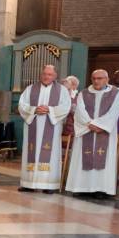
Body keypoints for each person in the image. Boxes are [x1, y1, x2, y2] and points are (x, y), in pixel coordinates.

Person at [65, 69, 119, 197]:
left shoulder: (115, 94)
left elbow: (114, 112)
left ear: (107, 79)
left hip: (104, 132)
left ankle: (100, 189)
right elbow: (79, 111)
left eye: (100, 78)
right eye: (94, 78)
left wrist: (100, 125)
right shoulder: (84, 93)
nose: (96, 81)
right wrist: (90, 124)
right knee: (83, 157)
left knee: (104, 158)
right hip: (87, 131)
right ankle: (81, 187)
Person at [17, 65, 70, 193]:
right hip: (33, 125)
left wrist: (49, 110)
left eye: (50, 74)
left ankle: (49, 185)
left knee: (50, 154)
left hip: (52, 125)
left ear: (55, 76)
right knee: (31, 152)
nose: (46, 77)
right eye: (44, 74)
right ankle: (28, 183)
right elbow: (22, 105)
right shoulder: (30, 89)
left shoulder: (62, 90)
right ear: (41, 75)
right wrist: (34, 109)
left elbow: (66, 107)